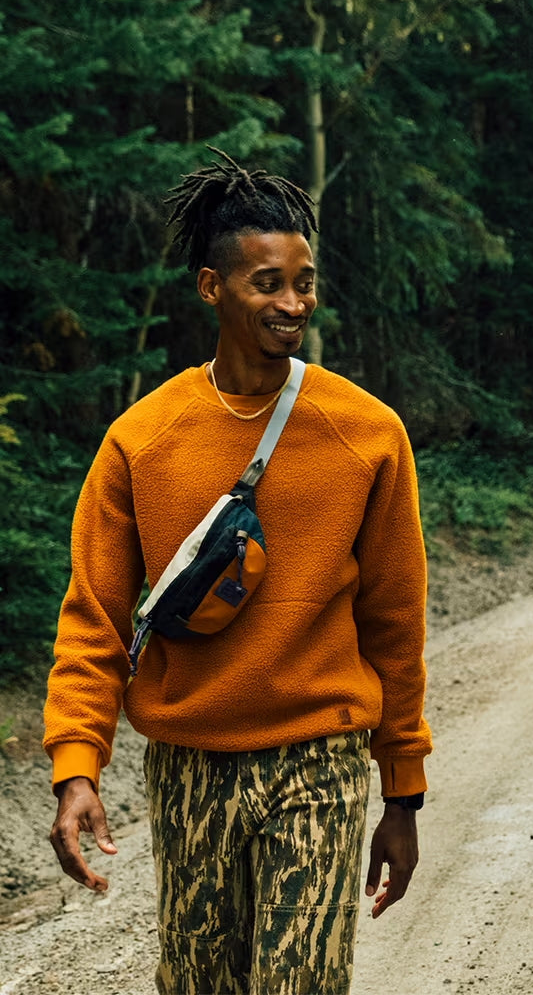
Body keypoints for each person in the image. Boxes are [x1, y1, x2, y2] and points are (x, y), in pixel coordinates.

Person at [43, 148, 432, 995]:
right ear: (211, 287)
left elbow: (396, 625)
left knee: (301, 985)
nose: (294, 303)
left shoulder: (368, 434)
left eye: (305, 282)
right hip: (190, 765)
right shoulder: (142, 440)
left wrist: (402, 791)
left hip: (320, 759)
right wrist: (77, 764)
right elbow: (94, 618)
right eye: (268, 284)